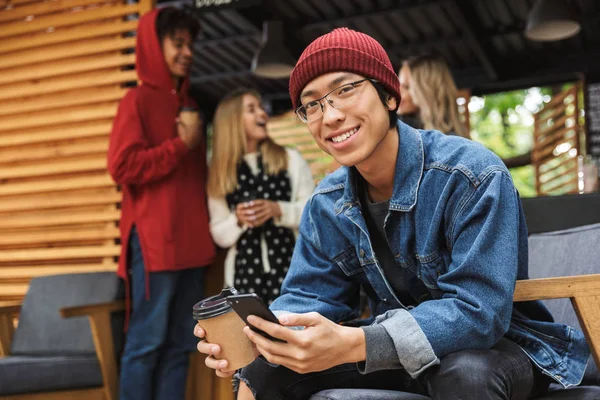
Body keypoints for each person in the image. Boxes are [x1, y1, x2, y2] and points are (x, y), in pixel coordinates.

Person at [194, 28, 590, 400]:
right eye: (311, 105)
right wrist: (263, 335)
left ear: (389, 97)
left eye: (345, 90)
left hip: (499, 347)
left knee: (465, 373)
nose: (329, 116)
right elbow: (309, 296)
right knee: (264, 370)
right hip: (389, 350)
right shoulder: (326, 202)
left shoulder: (472, 175)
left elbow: (479, 313)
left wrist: (357, 343)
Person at [107, 7, 215, 400]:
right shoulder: (136, 101)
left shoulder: (191, 106)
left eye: (191, 45)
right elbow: (121, 166)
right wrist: (179, 146)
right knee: (146, 345)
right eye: (178, 43)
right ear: (155, 45)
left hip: (192, 246)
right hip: (155, 245)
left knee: (179, 348)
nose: (187, 52)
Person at [207, 88, 314, 305]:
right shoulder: (220, 172)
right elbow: (218, 233)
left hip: (292, 271)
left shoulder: (290, 158)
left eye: (261, 108)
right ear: (233, 121)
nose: (263, 114)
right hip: (243, 279)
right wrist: (238, 219)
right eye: (251, 109)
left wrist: (279, 210)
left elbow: (314, 214)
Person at [398, 53, 470, 138]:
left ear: (426, 92)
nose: (397, 91)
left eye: (406, 86)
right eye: (398, 84)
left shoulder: (450, 141)